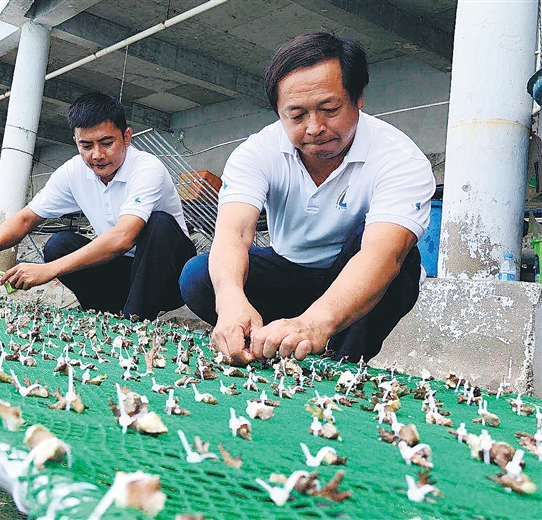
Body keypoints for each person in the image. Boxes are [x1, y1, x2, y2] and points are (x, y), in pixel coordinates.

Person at [179, 33, 435, 364]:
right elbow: (234, 232)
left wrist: (314, 324)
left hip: (352, 281)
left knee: (402, 260)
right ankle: (268, 340)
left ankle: (341, 360)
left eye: (329, 109)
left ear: (358, 99)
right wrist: (230, 302)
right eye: (297, 115)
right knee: (199, 276)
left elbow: (382, 253)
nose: (314, 128)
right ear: (278, 112)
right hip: (287, 272)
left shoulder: (399, 158)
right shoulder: (257, 152)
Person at [0, 92, 196, 320]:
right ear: (76, 142)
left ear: (127, 137)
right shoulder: (73, 172)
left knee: (159, 223)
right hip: (124, 273)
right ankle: (105, 313)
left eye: (106, 143)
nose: (97, 155)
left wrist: (49, 270)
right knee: (59, 244)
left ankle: (136, 320)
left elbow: (124, 237)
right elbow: (26, 218)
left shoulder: (146, 168)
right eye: (87, 146)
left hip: (168, 277)